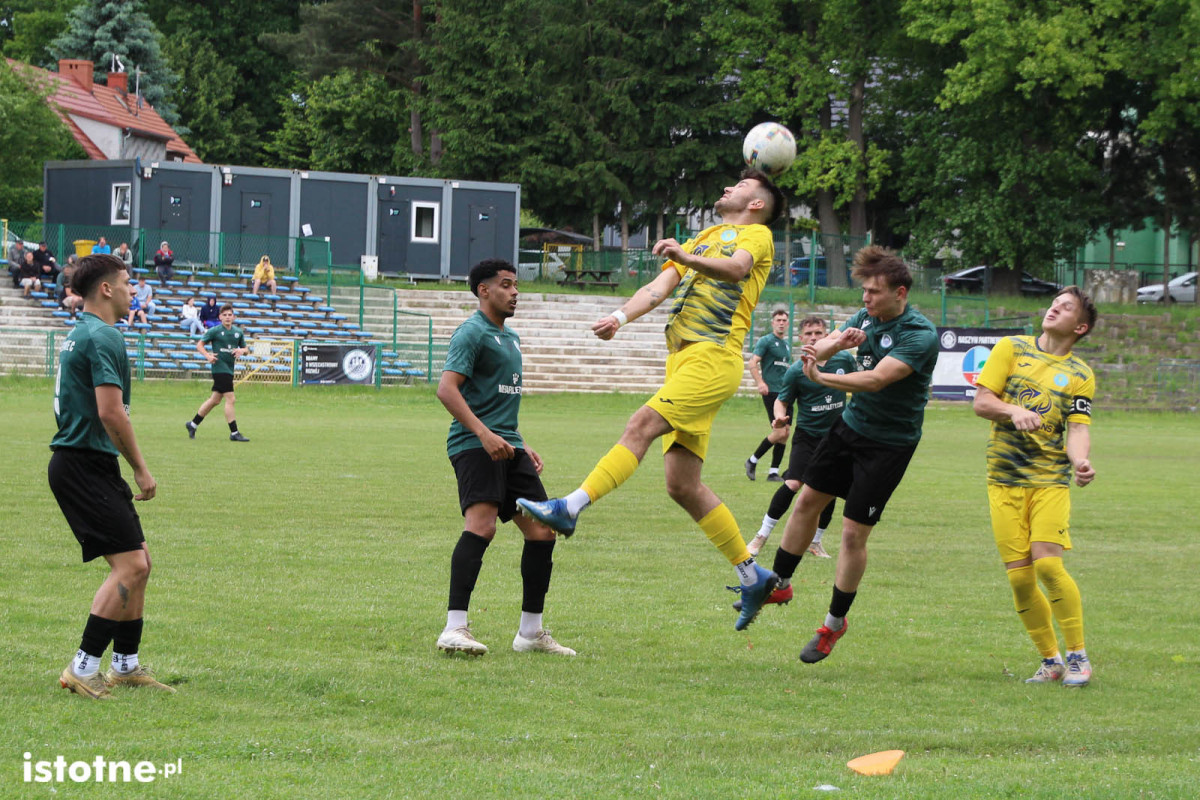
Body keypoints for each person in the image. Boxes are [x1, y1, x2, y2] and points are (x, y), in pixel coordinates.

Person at [516, 169, 787, 632]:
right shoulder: (705, 236)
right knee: (682, 485)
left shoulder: (756, 235)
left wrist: (685, 255)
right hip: (682, 362)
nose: (727, 187)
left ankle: (570, 507)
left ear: (757, 203)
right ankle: (752, 575)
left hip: (712, 358)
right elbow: (659, 289)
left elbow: (737, 269)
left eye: (739, 186)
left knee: (640, 424)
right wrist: (620, 316)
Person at [771, 245, 938, 664]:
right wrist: (830, 347)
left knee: (851, 533)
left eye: (874, 292)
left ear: (900, 293)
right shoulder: (864, 317)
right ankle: (779, 582)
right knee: (808, 499)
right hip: (851, 428)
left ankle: (833, 623)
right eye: (863, 291)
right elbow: (822, 347)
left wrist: (822, 375)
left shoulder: (919, 335)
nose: (865, 299)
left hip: (890, 443)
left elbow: (878, 380)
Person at [434, 259, 575, 657]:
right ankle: (454, 627)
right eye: (506, 285)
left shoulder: (510, 338)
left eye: (516, 285)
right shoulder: (471, 332)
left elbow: (497, 403)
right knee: (482, 527)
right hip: (473, 444)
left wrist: (518, 441)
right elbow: (447, 390)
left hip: (508, 446)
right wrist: (483, 433)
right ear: (484, 290)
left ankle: (530, 634)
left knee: (542, 531)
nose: (515, 292)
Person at [49, 253, 173, 699]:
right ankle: (83, 667)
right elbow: (110, 412)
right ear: (105, 289)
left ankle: (125, 664)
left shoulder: (82, 332)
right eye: (126, 282)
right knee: (131, 565)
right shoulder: (104, 336)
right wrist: (140, 468)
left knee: (140, 562)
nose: (132, 289)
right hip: (83, 463)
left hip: (85, 463)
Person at [973, 286, 1098, 687]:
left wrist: (1079, 461)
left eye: (1064, 308)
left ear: (1080, 326)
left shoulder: (1081, 375)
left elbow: (1077, 429)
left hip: (1049, 481)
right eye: (1053, 303)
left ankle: (1078, 655)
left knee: (1047, 563)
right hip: (1003, 479)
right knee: (1020, 578)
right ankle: (1051, 660)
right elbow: (982, 402)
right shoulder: (1012, 348)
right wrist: (1013, 410)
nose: (1053, 309)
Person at [745, 315, 855, 562]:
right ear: (800, 339)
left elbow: (859, 386)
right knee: (793, 483)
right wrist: (779, 418)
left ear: (827, 335)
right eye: (808, 334)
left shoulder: (844, 360)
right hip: (808, 436)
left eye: (818, 333)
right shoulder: (797, 370)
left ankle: (815, 542)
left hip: (837, 436)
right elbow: (781, 401)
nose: (814, 338)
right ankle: (761, 536)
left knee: (830, 491)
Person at [186, 304, 250, 442]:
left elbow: (246, 348)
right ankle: (234, 433)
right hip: (219, 369)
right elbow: (199, 345)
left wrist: (242, 351)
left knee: (215, 400)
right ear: (220, 317)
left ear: (234, 317)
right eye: (224, 315)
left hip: (229, 369)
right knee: (231, 399)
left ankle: (193, 424)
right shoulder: (215, 331)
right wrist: (208, 356)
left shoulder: (238, 332)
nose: (227, 317)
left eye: (229, 315)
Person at [744, 307, 792, 482]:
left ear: (787, 323)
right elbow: (752, 362)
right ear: (773, 323)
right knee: (779, 432)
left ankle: (773, 472)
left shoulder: (786, 345)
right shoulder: (766, 341)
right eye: (778, 320)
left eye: (784, 320)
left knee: (785, 433)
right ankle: (752, 460)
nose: (781, 323)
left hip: (786, 393)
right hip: (772, 392)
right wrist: (760, 382)